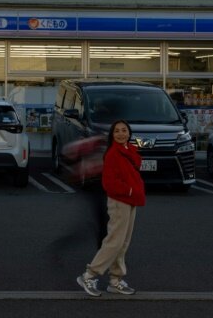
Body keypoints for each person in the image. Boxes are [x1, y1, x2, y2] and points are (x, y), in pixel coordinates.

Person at [76, 119, 145, 297]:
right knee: (114, 242)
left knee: (123, 243)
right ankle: (89, 275)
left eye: (124, 130)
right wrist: (129, 190)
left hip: (131, 201)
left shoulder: (129, 150)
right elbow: (109, 183)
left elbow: (135, 166)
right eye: (117, 131)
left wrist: (132, 192)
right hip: (119, 201)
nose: (121, 134)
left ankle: (115, 280)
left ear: (129, 133)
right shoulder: (113, 154)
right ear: (112, 135)